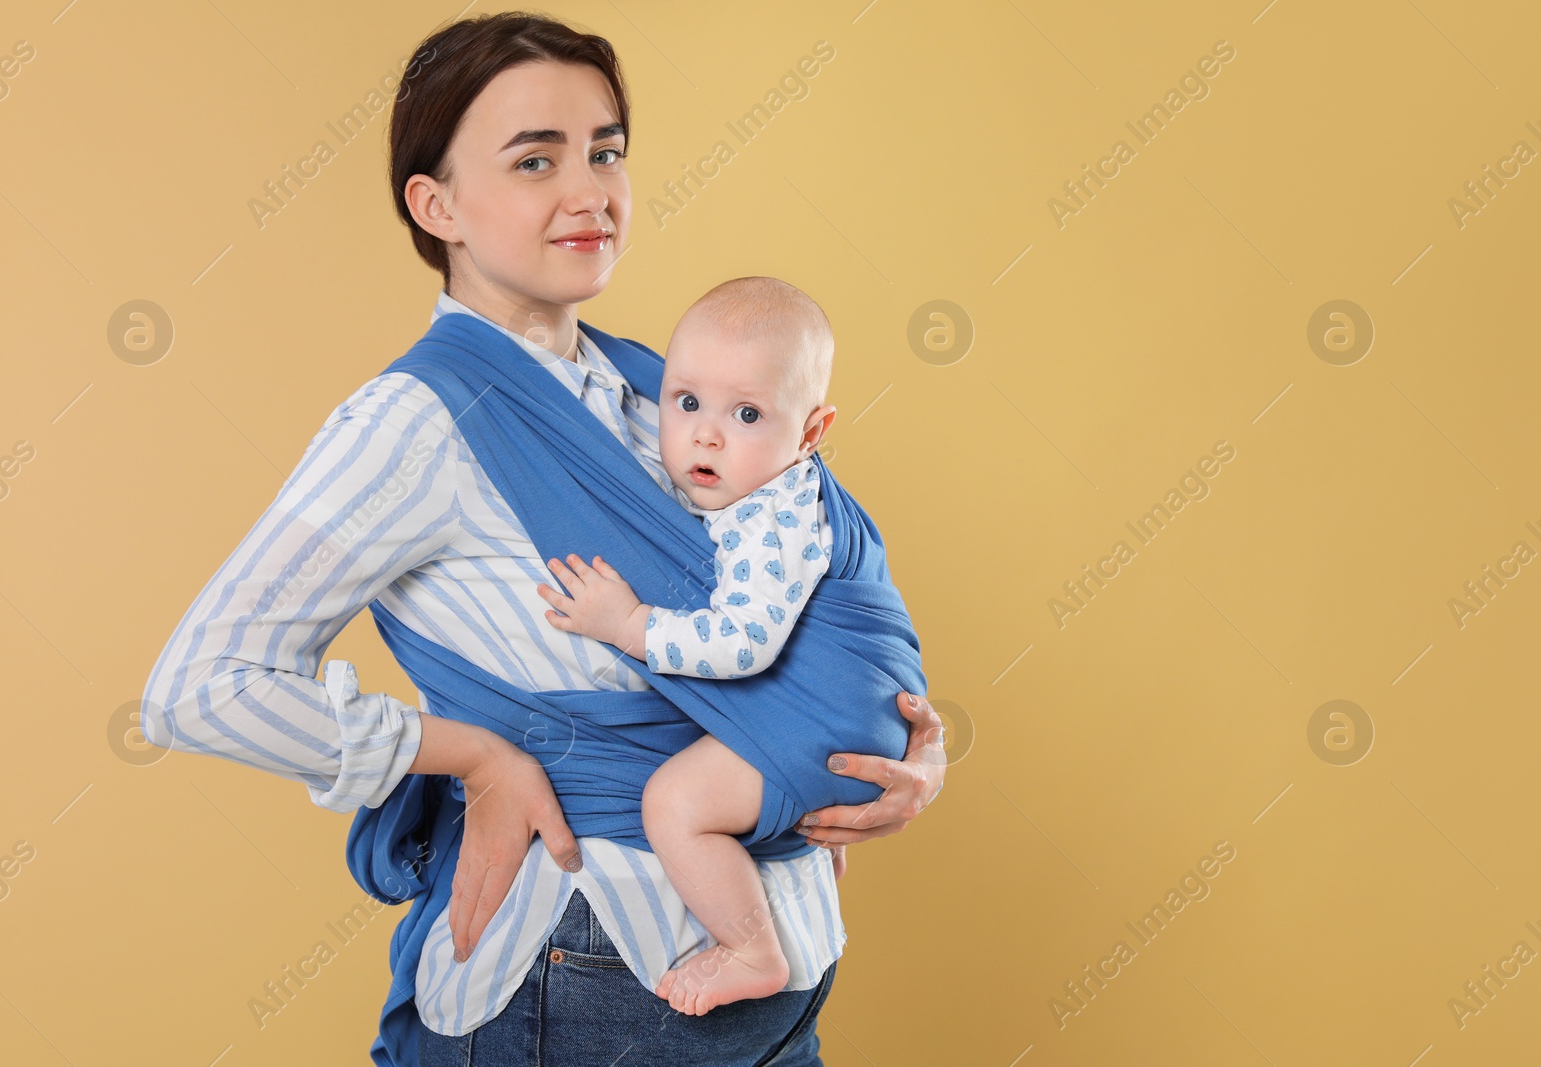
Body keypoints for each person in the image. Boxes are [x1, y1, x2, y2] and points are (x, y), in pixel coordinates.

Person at [140, 13, 945, 1067]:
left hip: (779, 956)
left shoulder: (667, 386)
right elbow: (200, 681)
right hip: (592, 963)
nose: (590, 191)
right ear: (436, 205)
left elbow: (806, 606)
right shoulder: (416, 424)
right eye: (535, 159)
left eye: (605, 150)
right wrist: (473, 755)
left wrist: (900, 755)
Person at [534, 276, 905, 1017]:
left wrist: (628, 624)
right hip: (849, 717)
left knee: (673, 803)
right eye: (687, 401)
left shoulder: (774, 519)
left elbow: (743, 645)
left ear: (810, 432)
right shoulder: (772, 489)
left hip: (835, 722)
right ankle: (799, 841)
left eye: (746, 413)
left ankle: (750, 948)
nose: (706, 433)